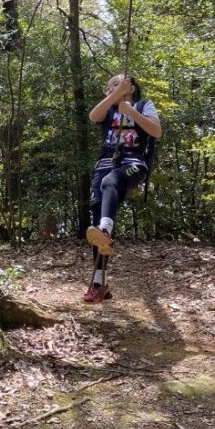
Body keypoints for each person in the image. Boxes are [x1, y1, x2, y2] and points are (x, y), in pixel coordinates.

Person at [83, 75, 161, 303]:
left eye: (119, 84)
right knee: (97, 220)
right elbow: (93, 116)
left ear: (132, 87)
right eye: (111, 86)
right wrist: (116, 96)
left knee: (110, 183)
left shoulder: (143, 105)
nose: (114, 88)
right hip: (105, 164)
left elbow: (156, 131)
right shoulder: (107, 108)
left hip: (132, 163)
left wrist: (131, 111)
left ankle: (106, 229)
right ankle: (99, 284)